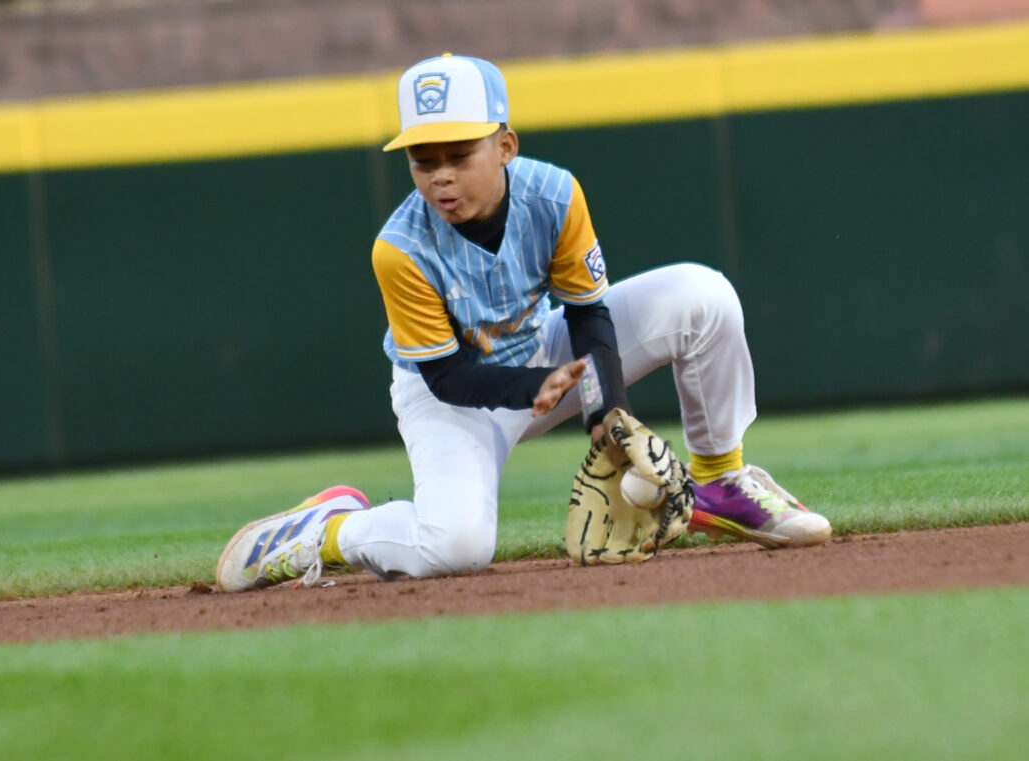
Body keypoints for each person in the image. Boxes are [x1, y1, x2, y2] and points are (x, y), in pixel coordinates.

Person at [216, 54, 831, 592]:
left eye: (460, 154)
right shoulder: (399, 249)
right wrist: (537, 385)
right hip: (450, 401)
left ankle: (721, 481)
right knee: (456, 547)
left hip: (543, 348)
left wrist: (607, 411)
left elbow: (588, 313)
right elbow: (448, 377)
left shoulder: (555, 195)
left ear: (505, 146)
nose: (441, 175)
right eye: (423, 160)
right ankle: (328, 530)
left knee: (703, 296)